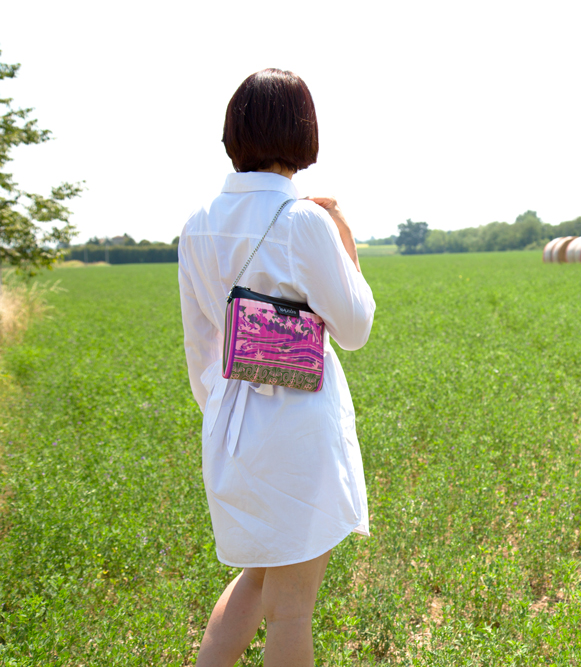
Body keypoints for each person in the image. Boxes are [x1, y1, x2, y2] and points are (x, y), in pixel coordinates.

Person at [178, 68, 376, 667]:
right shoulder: (305, 220)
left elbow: (201, 348)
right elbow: (356, 328)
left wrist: (232, 405)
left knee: (258, 576)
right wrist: (347, 242)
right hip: (296, 429)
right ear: (304, 131)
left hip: (231, 427)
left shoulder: (198, 223)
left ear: (234, 131)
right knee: (292, 608)